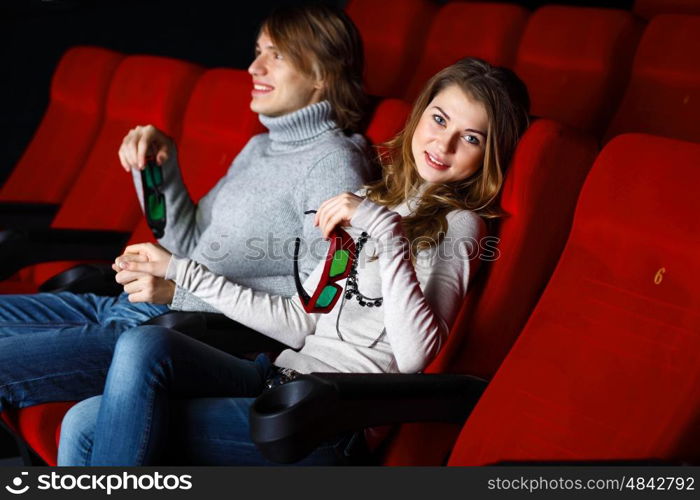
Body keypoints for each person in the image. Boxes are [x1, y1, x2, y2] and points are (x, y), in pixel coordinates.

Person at [57, 57, 531, 466]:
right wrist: (181, 271)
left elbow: (413, 356)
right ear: (420, 114)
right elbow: (303, 318)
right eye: (440, 119)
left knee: (91, 430)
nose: (443, 144)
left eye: (471, 138)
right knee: (128, 364)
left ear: (489, 155)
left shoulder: (460, 225)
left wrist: (385, 229)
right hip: (278, 379)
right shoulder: (368, 197)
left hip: (325, 418)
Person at [0, 4, 371, 415]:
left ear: (322, 73)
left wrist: (183, 294)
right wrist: (159, 169)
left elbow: (321, 300)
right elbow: (187, 243)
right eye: (257, 50)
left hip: (174, 335)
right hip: (128, 307)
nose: (253, 67)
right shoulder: (260, 147)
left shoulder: (334, 165)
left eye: (276, 55)